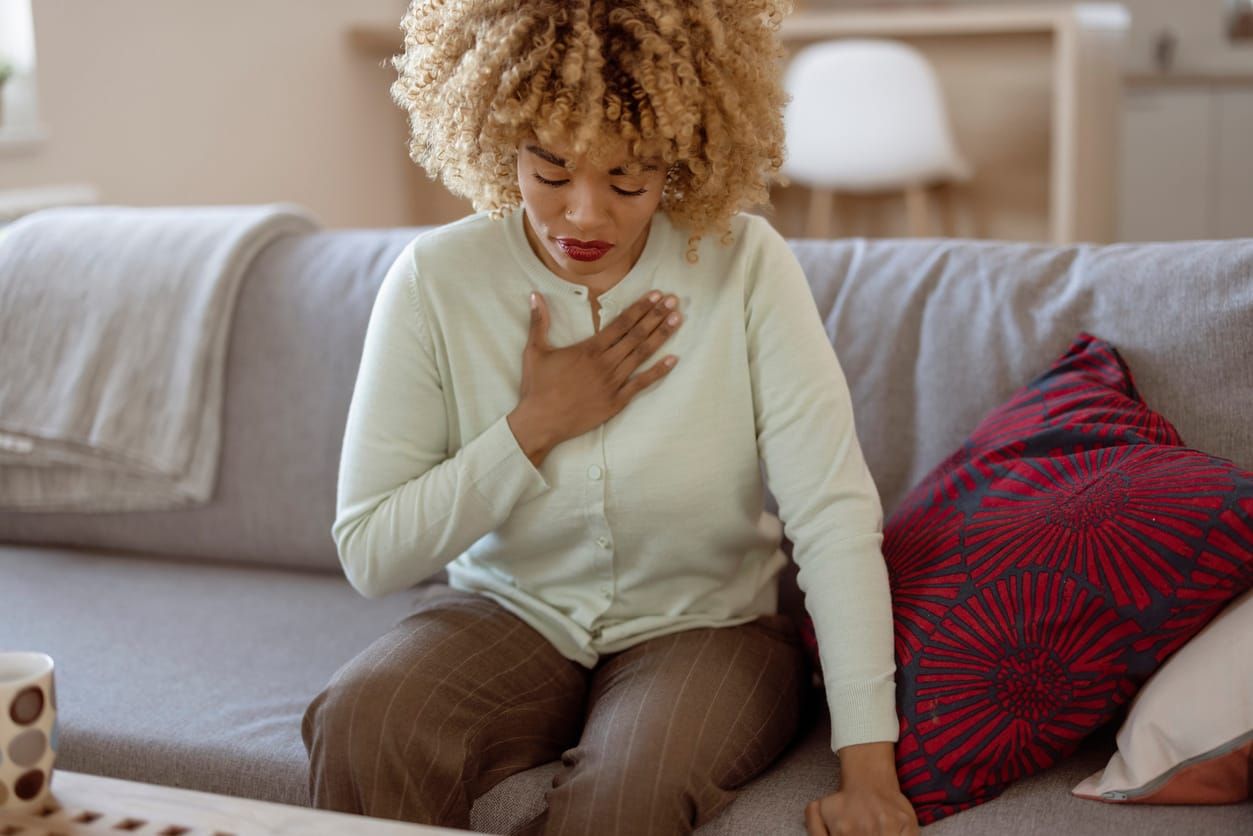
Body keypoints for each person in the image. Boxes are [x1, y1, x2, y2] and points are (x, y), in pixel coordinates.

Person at [302, 1, 921, 834]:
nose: (584, 214)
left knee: (624, 798)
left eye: (629, 176)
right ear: (498, 137)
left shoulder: (744, 266)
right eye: (549, 170)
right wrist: (535, 426)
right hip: (510, 615)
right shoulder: (435, 280)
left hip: (709, 630)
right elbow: (372, 553)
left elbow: (831, 517)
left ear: (685, 154)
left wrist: (868, 769)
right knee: (365, 719)